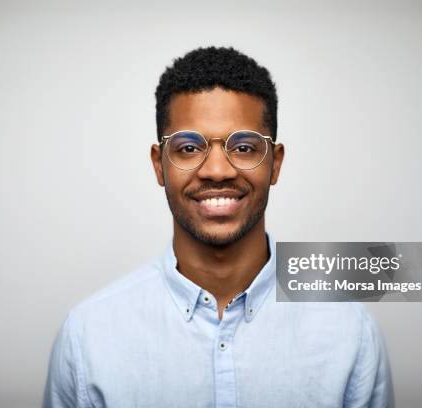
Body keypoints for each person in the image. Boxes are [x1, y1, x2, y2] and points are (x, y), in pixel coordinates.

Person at [43, 46, 394, 408]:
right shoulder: (88, 335)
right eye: (188, 148)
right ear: (159, 165)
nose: (217, 170)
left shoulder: (350, 331)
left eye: (243, 147)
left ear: (274, 164)